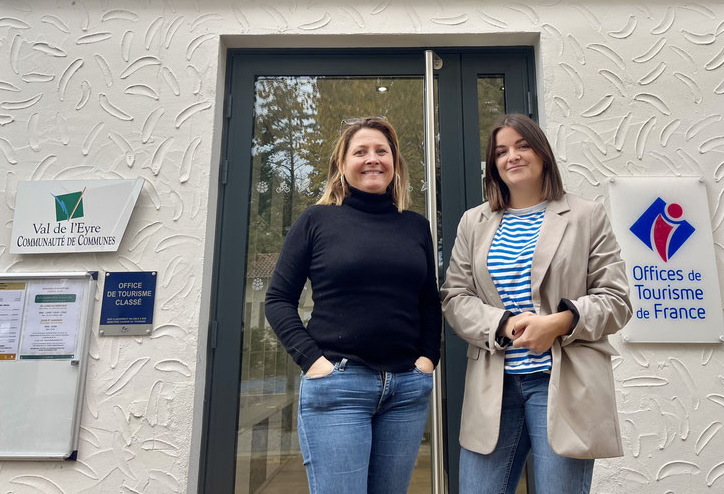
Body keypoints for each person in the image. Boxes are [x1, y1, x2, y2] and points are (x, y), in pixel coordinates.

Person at [441, 113, 632, 494]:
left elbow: (617, 299)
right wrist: (505, 324)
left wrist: (558, 323)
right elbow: (455, 297)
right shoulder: (472, 222)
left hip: (563, 384)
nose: (512, 156)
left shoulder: (585, 215)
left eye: (522, 145)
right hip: (494, 385)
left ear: (542, 153)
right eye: (501, 151)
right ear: (493, 164)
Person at [265, 116, 441, 494]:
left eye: (382, 150)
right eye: (360, 151)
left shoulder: (415, 226)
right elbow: (278, 300)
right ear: (342, 165)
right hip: (338, 386)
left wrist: (428, 360)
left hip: (406, 389)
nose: (372, 159)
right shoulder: (316, 220)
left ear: (395, 162)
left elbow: (428, 302)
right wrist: (313, 362)